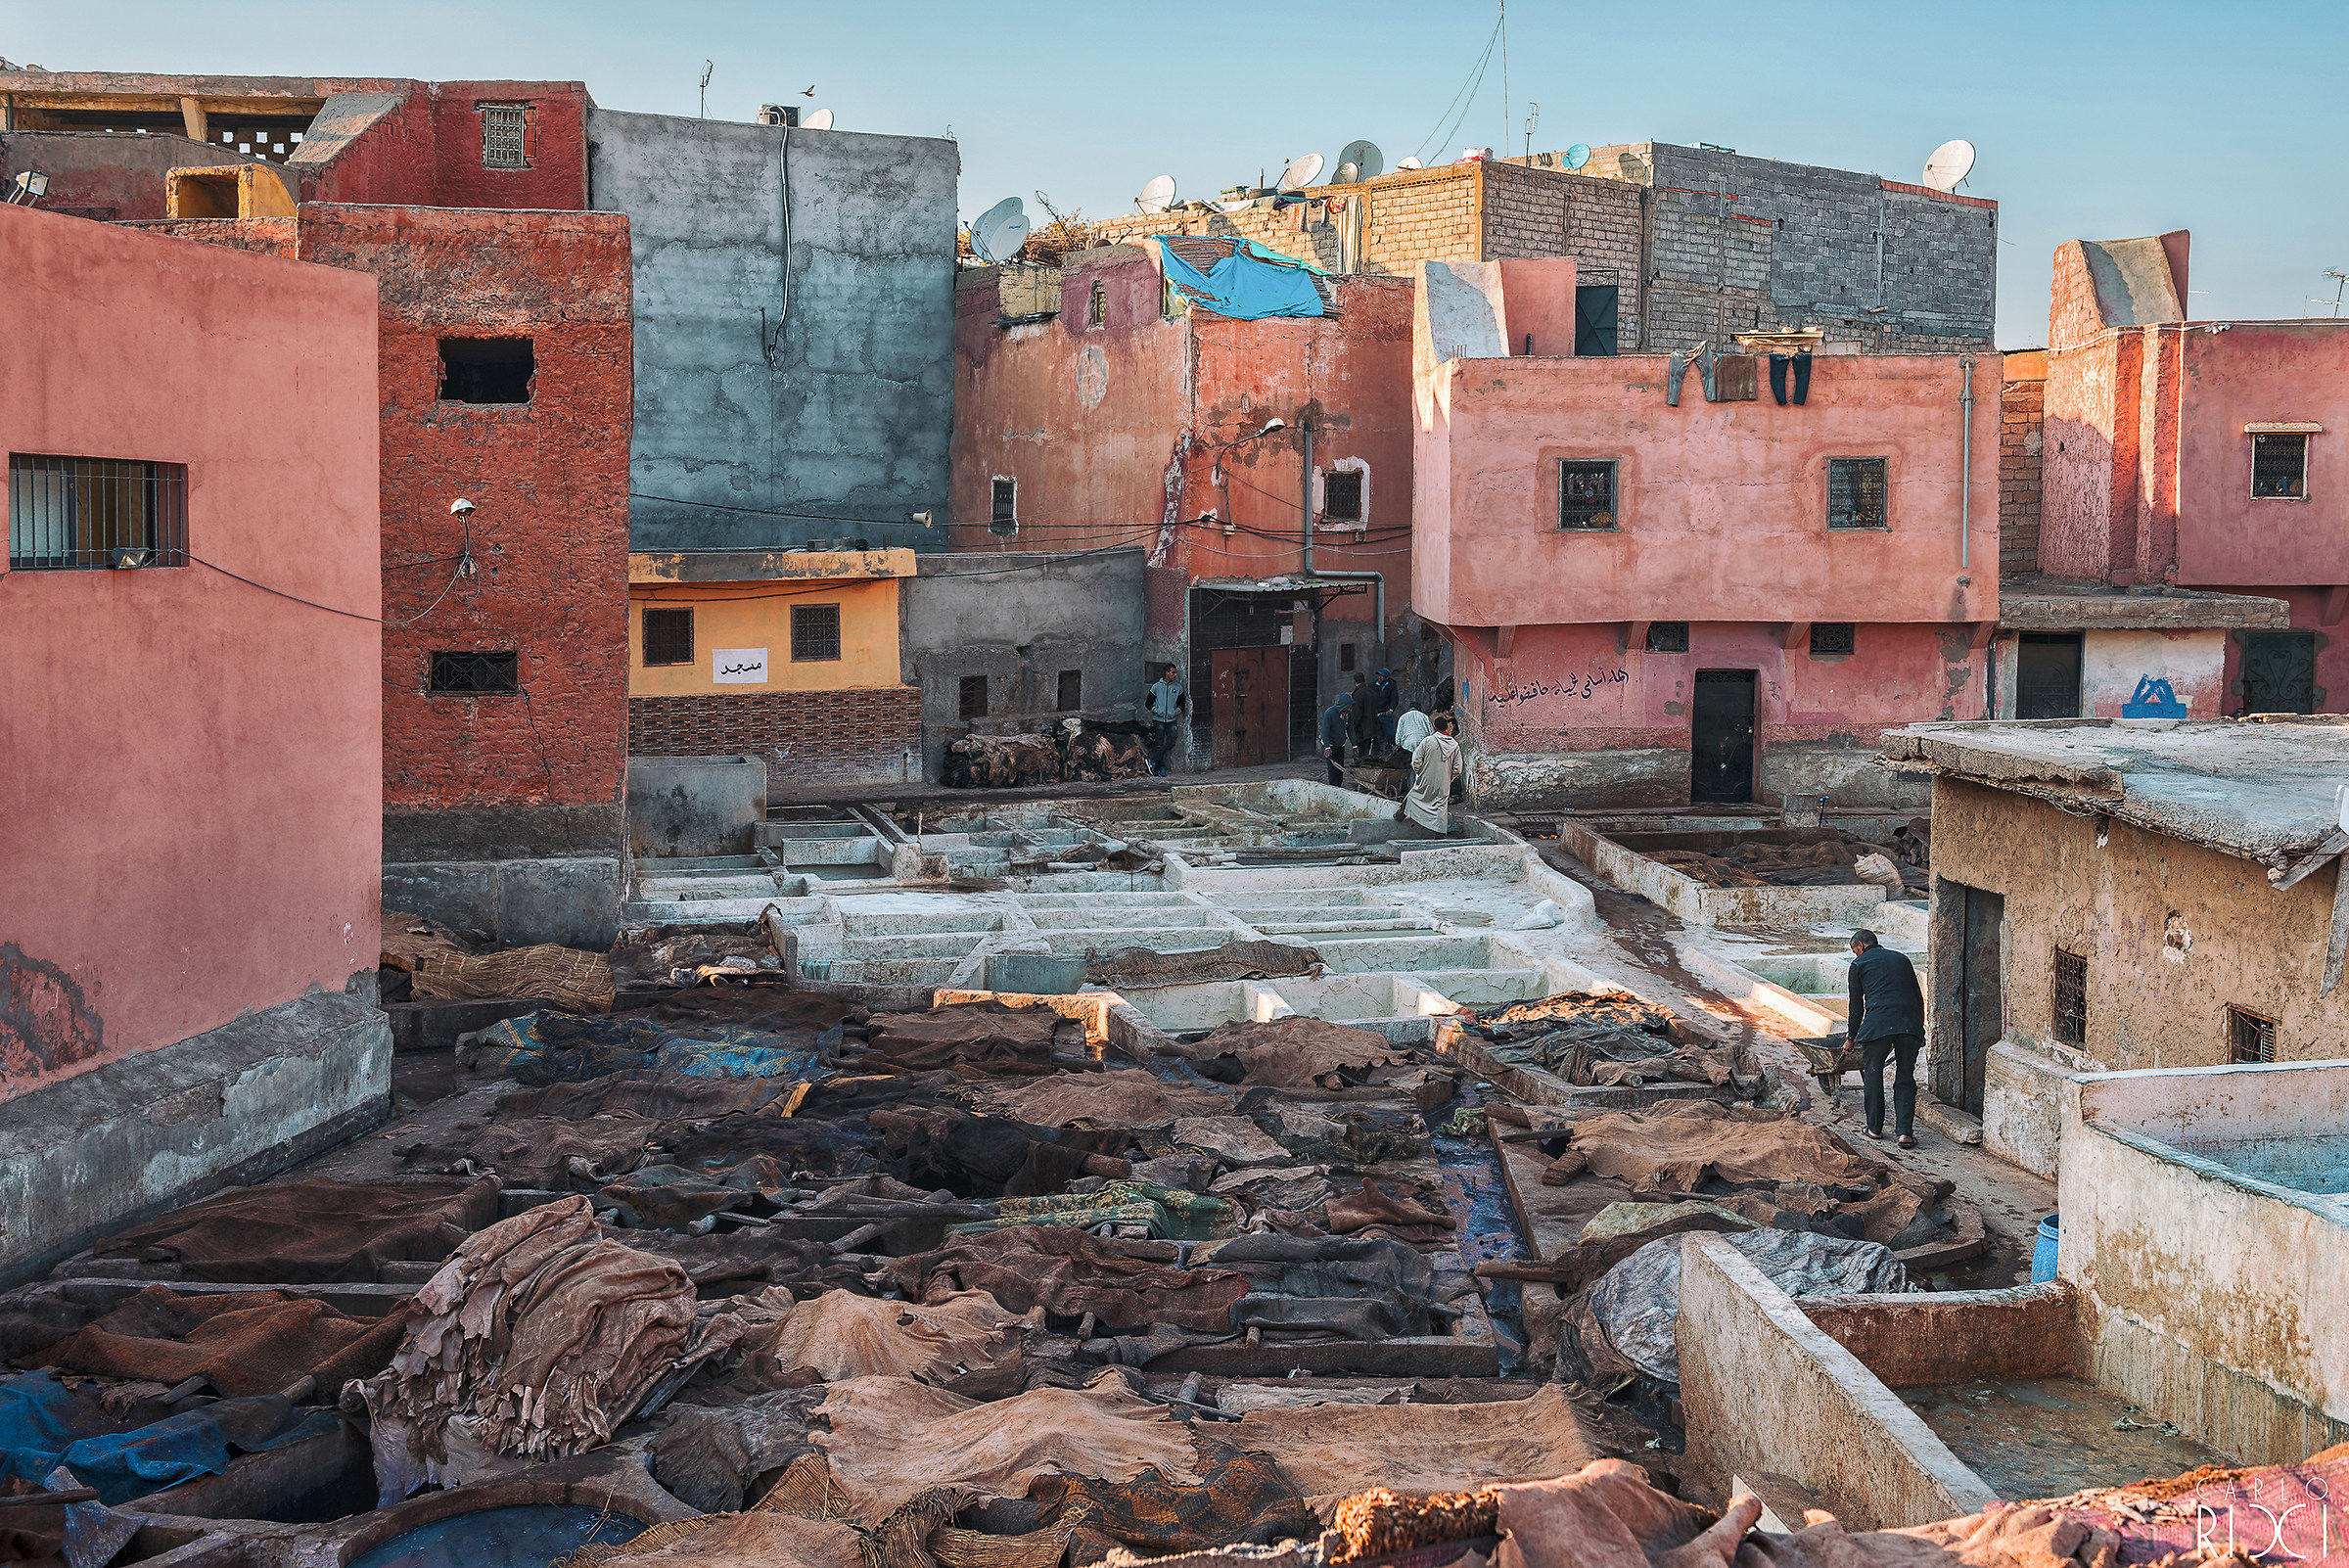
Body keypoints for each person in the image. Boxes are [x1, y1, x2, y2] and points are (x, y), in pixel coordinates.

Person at [1846, 929, 1926, 1147]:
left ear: (1861, 946)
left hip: (1878, 1024)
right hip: (1909, 1024)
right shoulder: (1902, 959)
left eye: (1855, 951)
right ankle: (1905, 1134)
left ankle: (1874, 1129)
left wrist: (1851, 1037)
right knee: (1905, 1077)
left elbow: (1856, 1007)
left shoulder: (1858, 965)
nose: (1856, 956)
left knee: (1873, 1075)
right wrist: (1919, 1029)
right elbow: (1918, 998)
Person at [1399, 713, 1461, 834]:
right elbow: (1458, 769)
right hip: (1443, 782)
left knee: (1414, 796)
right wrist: (1449, 778)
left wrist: (1420, 772)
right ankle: (1439, 832)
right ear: (1447, 727)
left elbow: (1416, 760)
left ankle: (1399, 816)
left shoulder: (1428, 741)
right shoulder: (1454, 745)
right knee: (1440, 806)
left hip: (1426, 778)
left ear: (1434, 727)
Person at [1144, 665, 1186, 776]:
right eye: (1173, 672)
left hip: (1171, 720)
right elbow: (1148, 703)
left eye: (1175, 672)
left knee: (1171, 741)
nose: (1175, 675)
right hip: (1158, 719)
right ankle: (1160, 769)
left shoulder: (1178, 688)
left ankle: (1152, 761)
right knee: (1159, 744)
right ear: (1167, 673)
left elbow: (1182, 704)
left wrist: (1174, 712)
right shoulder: (1156, 687)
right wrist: (1157, 711)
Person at [1318, 692, 1355, 784]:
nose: (1350, 708)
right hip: (1331, 746)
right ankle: (1333, 787)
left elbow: (1350, 729)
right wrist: (1327, 746)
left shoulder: (1348, 714)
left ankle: (1338, 786)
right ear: (1343, 705)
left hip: (1340, 745)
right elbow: (1325, 731)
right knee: (1333, 770)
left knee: (1340, 769)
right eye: (1348, 706)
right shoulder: (1330, 713)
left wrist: (1354, 745)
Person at [1348, 673, 1375, 758]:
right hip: (1372, 728)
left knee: (1361, 754)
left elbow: (1356, 714)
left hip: (1361, 729)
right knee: (1368, 752)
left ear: (1354, 681)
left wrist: (1353, 728)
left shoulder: (1358, 694)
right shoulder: (1371, 692)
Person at [1371, 668, 1400, 749]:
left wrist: (1391, 710)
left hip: (1385, 713)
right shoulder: (1372, 686)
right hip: (1375, 713)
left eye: (1382, 676)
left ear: (1387, 677)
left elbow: (1394, 699)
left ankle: (1390, 748)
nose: (1379, 677)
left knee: (1390, 734)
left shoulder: (1391, 686)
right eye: (1379, 675)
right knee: (1374, 735)